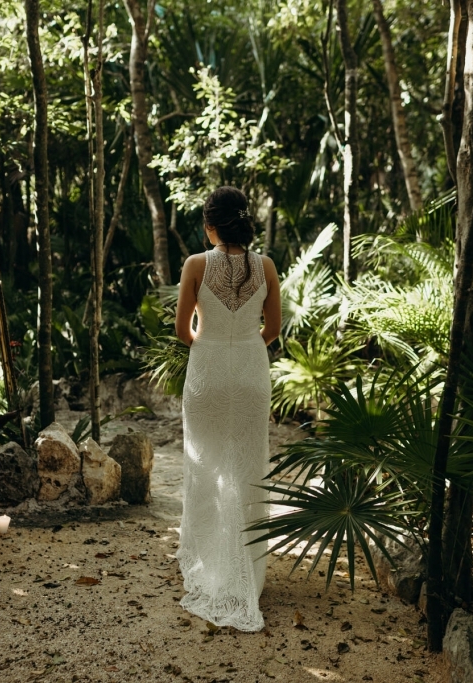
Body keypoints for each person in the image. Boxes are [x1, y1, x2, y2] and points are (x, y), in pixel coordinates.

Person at [173, 186, 282, 632]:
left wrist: (213, 343)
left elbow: (183, 331)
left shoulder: (195, 265)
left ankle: (211, 566)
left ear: (209, 225)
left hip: (208, 374)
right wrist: (242, 349)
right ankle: (249, 573)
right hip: (252, 375)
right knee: (248, 469)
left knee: (207, 470)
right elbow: (271, 330)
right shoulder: (268, 266)